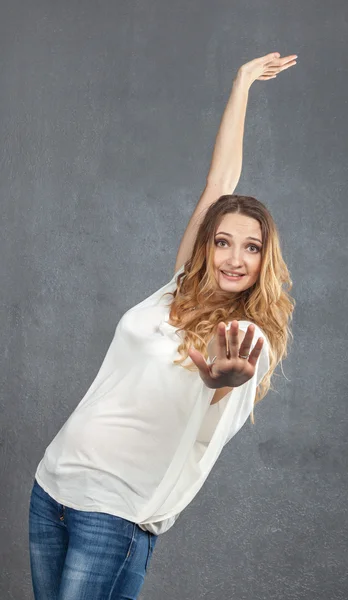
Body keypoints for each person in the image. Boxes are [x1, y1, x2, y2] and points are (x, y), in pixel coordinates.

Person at [29, 51, 297, 600]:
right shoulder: (178, 289)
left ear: (264, 261)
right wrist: (243, 82)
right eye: (223, 241)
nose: (233, 258)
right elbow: (220, 179)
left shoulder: (250, 340)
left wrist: (221, 384)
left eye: (251, 248)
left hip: (118, 511)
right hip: (53, 485)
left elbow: (228, 384)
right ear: (207, 245)